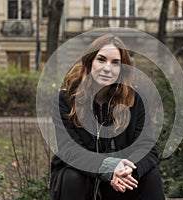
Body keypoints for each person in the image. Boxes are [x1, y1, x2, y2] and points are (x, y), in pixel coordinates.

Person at [50, 34, 165, 200]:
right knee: (72, 176)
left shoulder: (135, 100)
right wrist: (109, 167)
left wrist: (127, 170)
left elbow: (147, 147)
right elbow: (70, 150)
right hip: (84, 178)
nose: (107, 68)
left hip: (120, 181)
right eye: (101, 59)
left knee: (151, 175)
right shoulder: (66, 99)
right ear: (90, 62)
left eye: (115, 63)